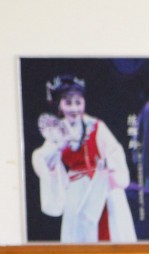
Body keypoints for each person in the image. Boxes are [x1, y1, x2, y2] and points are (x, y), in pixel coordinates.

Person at [29, 75, 136, 243]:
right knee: (80, 236)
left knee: (112, 232)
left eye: (78, 102)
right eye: (68, 103)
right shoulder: (57, 131)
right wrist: (54, 155)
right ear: (60, 105)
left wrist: (107, 164)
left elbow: (115, 152)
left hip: (103, 187)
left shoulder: (96, 126)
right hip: (78, 191)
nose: (74, 108)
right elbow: (41, 156)